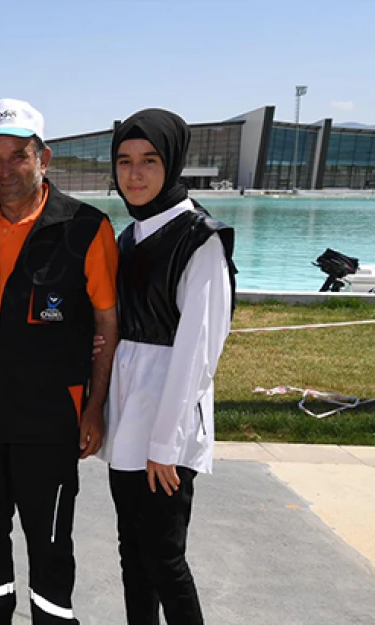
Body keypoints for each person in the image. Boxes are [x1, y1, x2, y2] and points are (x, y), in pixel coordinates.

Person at [0, 98, 119, 625]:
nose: (5, 171)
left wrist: (95, 408)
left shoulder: (86, 228)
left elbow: (107, 325)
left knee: (50, 545)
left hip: (51, 426)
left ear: (43, 157)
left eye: (17, 156)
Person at [100, 108, 236, 625]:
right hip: (128, 415)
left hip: (165, 421)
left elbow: (199, 352)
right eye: (125, 162)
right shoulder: (131, 237)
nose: (135, 174)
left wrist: (166, 444)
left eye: (149, 161)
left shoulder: (199, 239)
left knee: (164, 558)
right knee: (132, 552)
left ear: (172, 163)